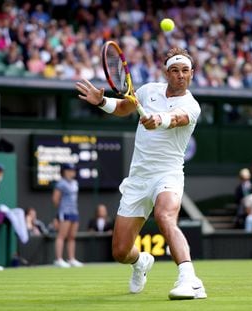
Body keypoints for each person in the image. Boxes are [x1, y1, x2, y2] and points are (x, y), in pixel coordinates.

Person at [75, 47, 206, 300]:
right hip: (138, 179)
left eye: (185, 71)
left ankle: (190, 279)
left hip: (168, 175)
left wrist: (159, 120)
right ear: (166, 73)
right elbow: (126, 107)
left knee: (165, 216)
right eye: (175, 71)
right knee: (121, 252)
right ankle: (141, 263)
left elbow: (176, 118)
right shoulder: (147, 91)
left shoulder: (192, 106)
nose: (181, 76)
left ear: (192, 74)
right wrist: (102, 102)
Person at [52, 163, 83, 268]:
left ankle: (71, 259)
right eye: (70, 170)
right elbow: (55, 199)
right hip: (65, 213)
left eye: (73, 170)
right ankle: (59, 260)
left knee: (72, 237)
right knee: (61, 236)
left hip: (74, 212)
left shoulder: (75, 183)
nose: (72, 172)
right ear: (64, 171)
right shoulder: (61, 183)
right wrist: (60, 212)